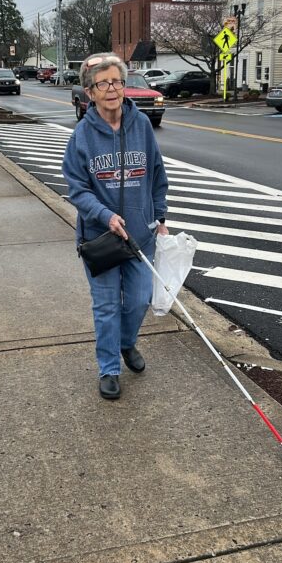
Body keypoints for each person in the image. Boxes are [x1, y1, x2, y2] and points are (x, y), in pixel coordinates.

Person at [63, 53, 169, 400]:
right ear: (90, 92)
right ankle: (108, 367)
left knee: (138, 300)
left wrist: (161, 218)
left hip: (140, 235)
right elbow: (77, 189)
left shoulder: (141, 127)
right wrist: (104, 215)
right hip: (102, 238)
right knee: (107, 305)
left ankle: (126, 344)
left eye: (118, 82)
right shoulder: (82, 136)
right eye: (103, 83)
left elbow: (156, 174)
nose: (112, 89)